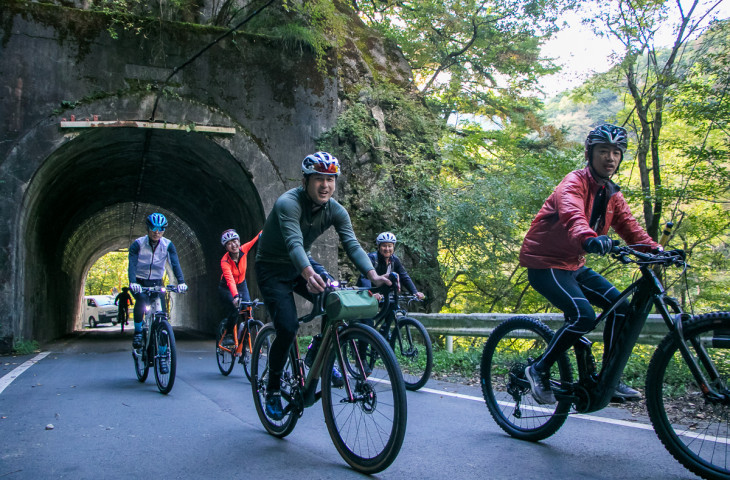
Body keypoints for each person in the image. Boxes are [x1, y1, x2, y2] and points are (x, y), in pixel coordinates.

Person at [518, 124, 662, 405]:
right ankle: (538, 369)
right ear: (589, 153)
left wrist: (659, 251)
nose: (610, 158)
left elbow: (632, 231)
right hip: (545, 263)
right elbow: (573, 214)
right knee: (583, 316)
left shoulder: (612, 194)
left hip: (573, 263)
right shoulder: (573, 182)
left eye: (616, 152)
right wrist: (590, 238)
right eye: (603, 151)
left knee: (621, 309)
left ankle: (609, 377)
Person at [255, 151, 392, 420]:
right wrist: (307, 272)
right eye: (319, 178)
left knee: (336, 298)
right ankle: (272, 389)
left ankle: (317, 351)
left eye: (331, 179)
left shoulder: (335, 210)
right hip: (272, 267)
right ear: (306, 180)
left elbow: (351, 244)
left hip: (302, 262)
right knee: (288, 326)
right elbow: (294, 243)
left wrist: (373, 274)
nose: (325, 185)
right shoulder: (288, 204)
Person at [128, 213, 188, 368]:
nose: (157, 232)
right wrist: (133, 282)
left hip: (156, 282)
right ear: (148, 228)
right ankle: (138, 331)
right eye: (154, 228)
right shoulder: (138, 244)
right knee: (141, 300)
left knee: (162, 319)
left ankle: (162, 356)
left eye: (161, 229)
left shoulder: (168, 245)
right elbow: (132, 265)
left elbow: (175, 264)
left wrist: (181, 282)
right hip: (140, 282)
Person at [219, 228, 261, 345]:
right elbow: (230, 279)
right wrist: (236, 296)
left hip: (242, 284)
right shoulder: (225, 261)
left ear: (239, 240)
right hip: (227, 287)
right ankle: (228, 334)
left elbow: (256, 239)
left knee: (248, 311)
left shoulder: (244, 250)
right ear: (226, 247)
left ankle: (243, 343)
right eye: (229, 243)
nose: (234, 245)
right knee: (234, 309)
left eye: (235, 240)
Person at [356, 232, 425, 300]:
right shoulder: (372, 258)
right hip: (367, 293)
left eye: (389, 246)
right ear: (378, 246)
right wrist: (370, 294)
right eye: (384, 246)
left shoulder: (394, 260)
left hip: (383, 294)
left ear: (393, 247)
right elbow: (364, 278)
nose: (387, 249)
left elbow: (404, 276)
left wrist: (415, 292)